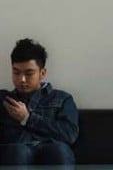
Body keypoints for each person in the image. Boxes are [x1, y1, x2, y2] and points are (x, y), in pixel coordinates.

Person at [0, 38, 78, 167]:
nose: (22, 79)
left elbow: (69, 135)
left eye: (29, 73)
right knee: (18, 151)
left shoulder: (62, 99)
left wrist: (27, 118)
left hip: (52, 152)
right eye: (16, 72)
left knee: (58, 150)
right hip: (17, 154)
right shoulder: (4, 100)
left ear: (42, 73)